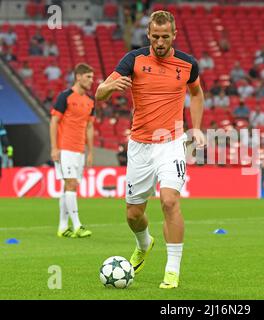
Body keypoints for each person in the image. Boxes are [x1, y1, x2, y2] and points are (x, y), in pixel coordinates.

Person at [95, 10, 205, 289]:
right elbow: (99, 94)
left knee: (169, 200)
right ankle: (144, 243)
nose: (159, 42)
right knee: (133, 214)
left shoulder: (188, 64)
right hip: (140, 145)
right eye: (155, 36)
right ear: (148, 35)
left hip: (171, 143)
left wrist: (197, 127)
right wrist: (110, 87)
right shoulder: (133, 60)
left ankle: (172, 270)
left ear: (174, 35)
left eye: (165, 37)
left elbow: (197, 93)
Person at [50, 63, 95, 239]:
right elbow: (54, 121)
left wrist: (90, 151)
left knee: (68, 186)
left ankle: (62, 227)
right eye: (88, 77)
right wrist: (54, 147)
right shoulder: (65, 97)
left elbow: (90, 127)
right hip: (65, 148)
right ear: (78, 77)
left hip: (79, 150)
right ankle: (77, 225)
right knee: (71, 184)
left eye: (92, 77)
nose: (91, 81)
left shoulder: (91, 101)